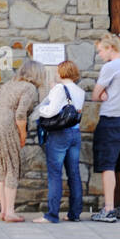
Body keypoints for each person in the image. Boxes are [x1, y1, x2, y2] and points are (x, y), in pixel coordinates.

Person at [0, 59, 44, 222]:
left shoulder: (9, 84)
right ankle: (10, 212)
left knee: (0, 168)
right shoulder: (29, 87)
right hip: (7, 125)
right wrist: (23, 136)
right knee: (12, 166)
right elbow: (20, 114)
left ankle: (4, 211)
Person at [90, 32, 120, 223]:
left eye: (101, 51)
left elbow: (95, 94)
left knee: (107, 165)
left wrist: (101, 94)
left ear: (110, 48)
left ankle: (109, 209)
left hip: (111, 120)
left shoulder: (111, 67)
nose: (100, 55)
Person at [32, 60, 85, 224]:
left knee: (55, 175)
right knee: (74, 174)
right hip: (75, 133)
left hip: (59, 134)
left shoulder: (59, 88)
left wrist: (40, 110)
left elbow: (52, 111)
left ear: (61, 72)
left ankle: (52, 215)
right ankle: (74, 213)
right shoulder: (80, 91)